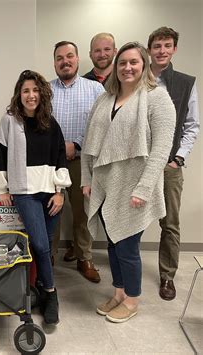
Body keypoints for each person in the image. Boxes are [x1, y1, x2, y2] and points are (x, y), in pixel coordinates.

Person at [81, 42, 176, 323]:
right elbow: (90, 142)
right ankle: (119, 292)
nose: (127, 67)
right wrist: (87, 179)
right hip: (106, 185)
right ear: (116, 67)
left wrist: (144, 188)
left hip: (134, 186)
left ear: (144, 65)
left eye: (134, 62)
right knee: (111, 244)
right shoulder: (105, 98)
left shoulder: (156, 97)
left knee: (127, 247)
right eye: (122, 63)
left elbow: (161, 148)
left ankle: (132, 299)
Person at [0, 70, 71, 325]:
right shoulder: (9, 121)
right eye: (26, 90)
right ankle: (51, 293)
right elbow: (0, 155)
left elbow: (60, 156)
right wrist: (2, 188)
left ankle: (40, 289)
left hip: (50, 193)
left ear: (42, 94)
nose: (31, 95)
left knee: (45, 246)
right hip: (24, 192)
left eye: (35, 90)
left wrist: (60, 192)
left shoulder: (50, 121)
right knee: (39, 244)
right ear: (19, 94)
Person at [147, 27, 200, 301]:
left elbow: (192, 125)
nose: (162, 50)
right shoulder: (138, 80)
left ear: (174, 49)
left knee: (170, 224)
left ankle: (167, 276)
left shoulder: (185, 83)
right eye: (157, 46)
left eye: (167, 45)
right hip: (141, 165)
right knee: (131, 220)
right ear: (150, 50)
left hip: (168, 165)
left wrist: (179, 158)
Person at [50, 41, 104, 282]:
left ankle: (84, 257)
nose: (65, 61)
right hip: (51, 163)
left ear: (78, 58)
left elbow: (102, 126)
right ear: (54, 63)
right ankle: (48, 258)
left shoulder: (95, 89)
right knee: (51, 211)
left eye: (69, 56)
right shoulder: (45, 90)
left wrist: (77, 145)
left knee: (83, 212)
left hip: (83, 161)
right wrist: (59, 148)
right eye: (60, 57)